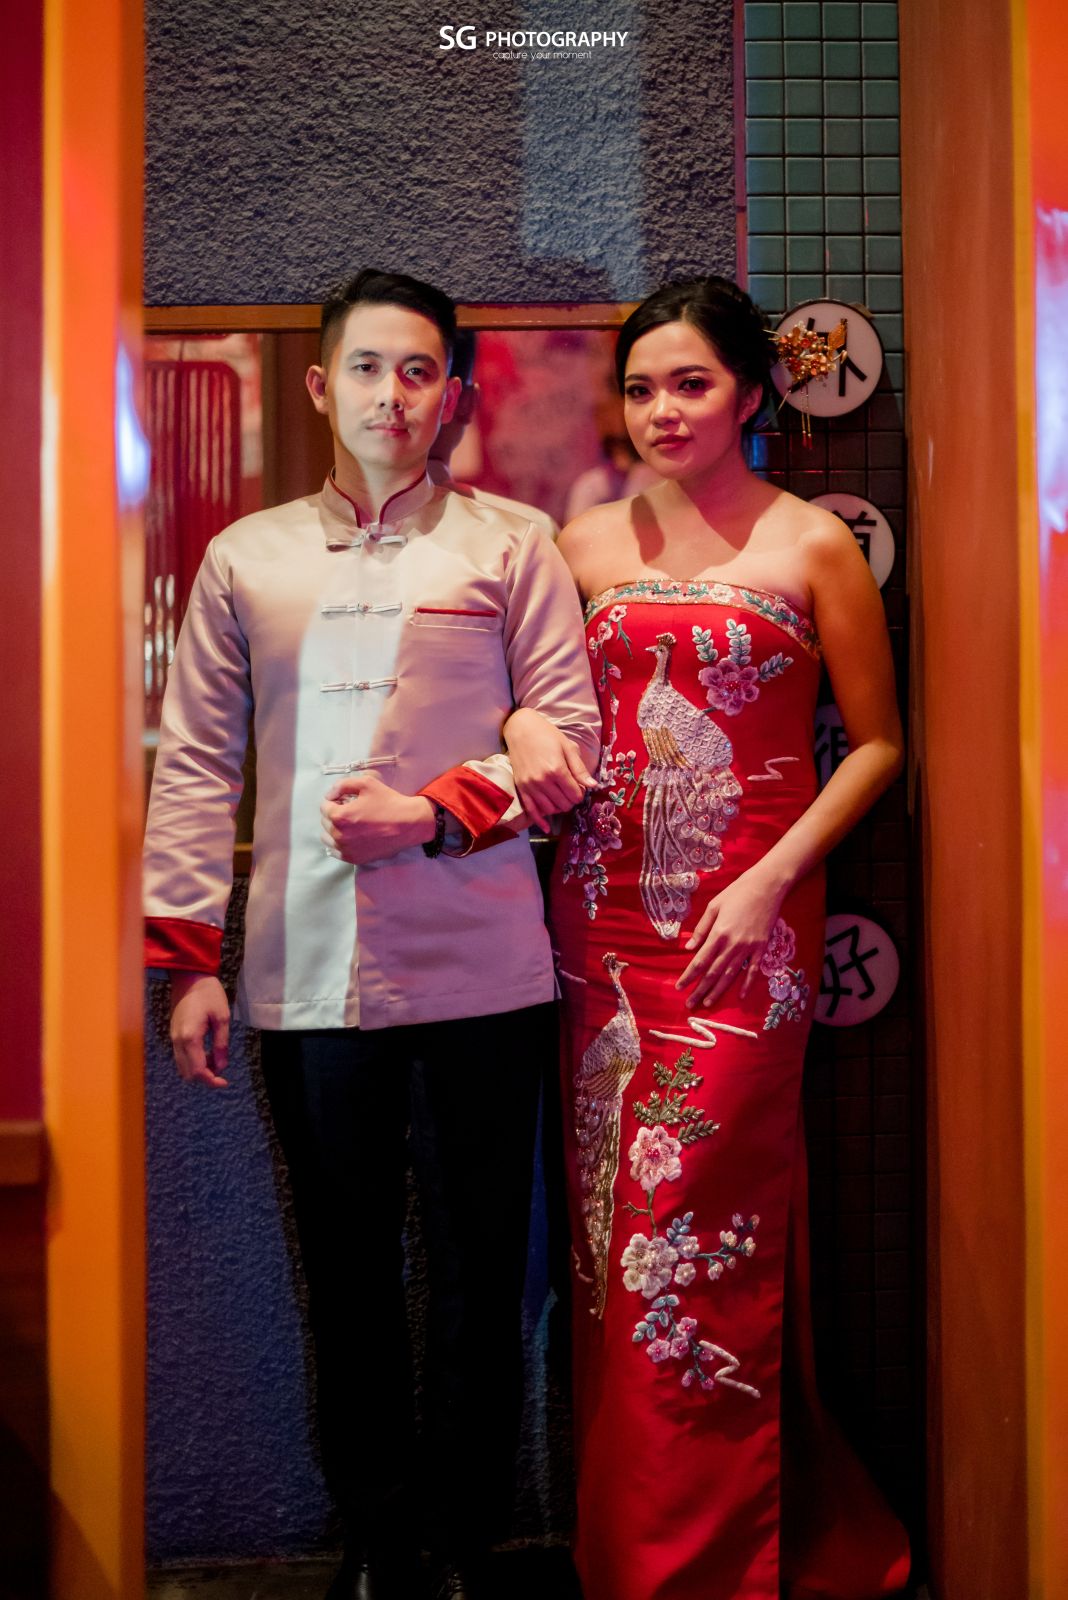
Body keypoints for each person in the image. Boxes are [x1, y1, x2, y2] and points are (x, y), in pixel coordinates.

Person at [143, 268, 600, 1600]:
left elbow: (572, 749)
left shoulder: (513, 544)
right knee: (343, 1271)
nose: (390, 396)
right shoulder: (248, 557)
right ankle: (376, 1538)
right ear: (318, 385)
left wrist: (431, 815)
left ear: (452, 393)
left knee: (480, 1270)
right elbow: (196, 764)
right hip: (302, 973)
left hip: (488, 970)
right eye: (365, 368)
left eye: (416, 371)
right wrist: (188, 964)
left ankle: (464, 1538)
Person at [503, 277, 911, 1600]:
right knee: (613, 1242)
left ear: (750, 392)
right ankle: (634, 1551)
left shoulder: (814, 544)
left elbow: (880, 746)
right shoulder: (581, 543)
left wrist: (773, 876)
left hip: (750, 933)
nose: (663, 410)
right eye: (641, 388)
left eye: (691, 383)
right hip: (599, 930)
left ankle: (709, 1566)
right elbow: (524, 706)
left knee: (690, 1227)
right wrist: (517, 728)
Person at [427, 328, 560, 537]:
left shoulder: (527, 532)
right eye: (371, 369)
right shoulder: (526, 530)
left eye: (416, 372)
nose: (392, 397)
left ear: (460, 401)